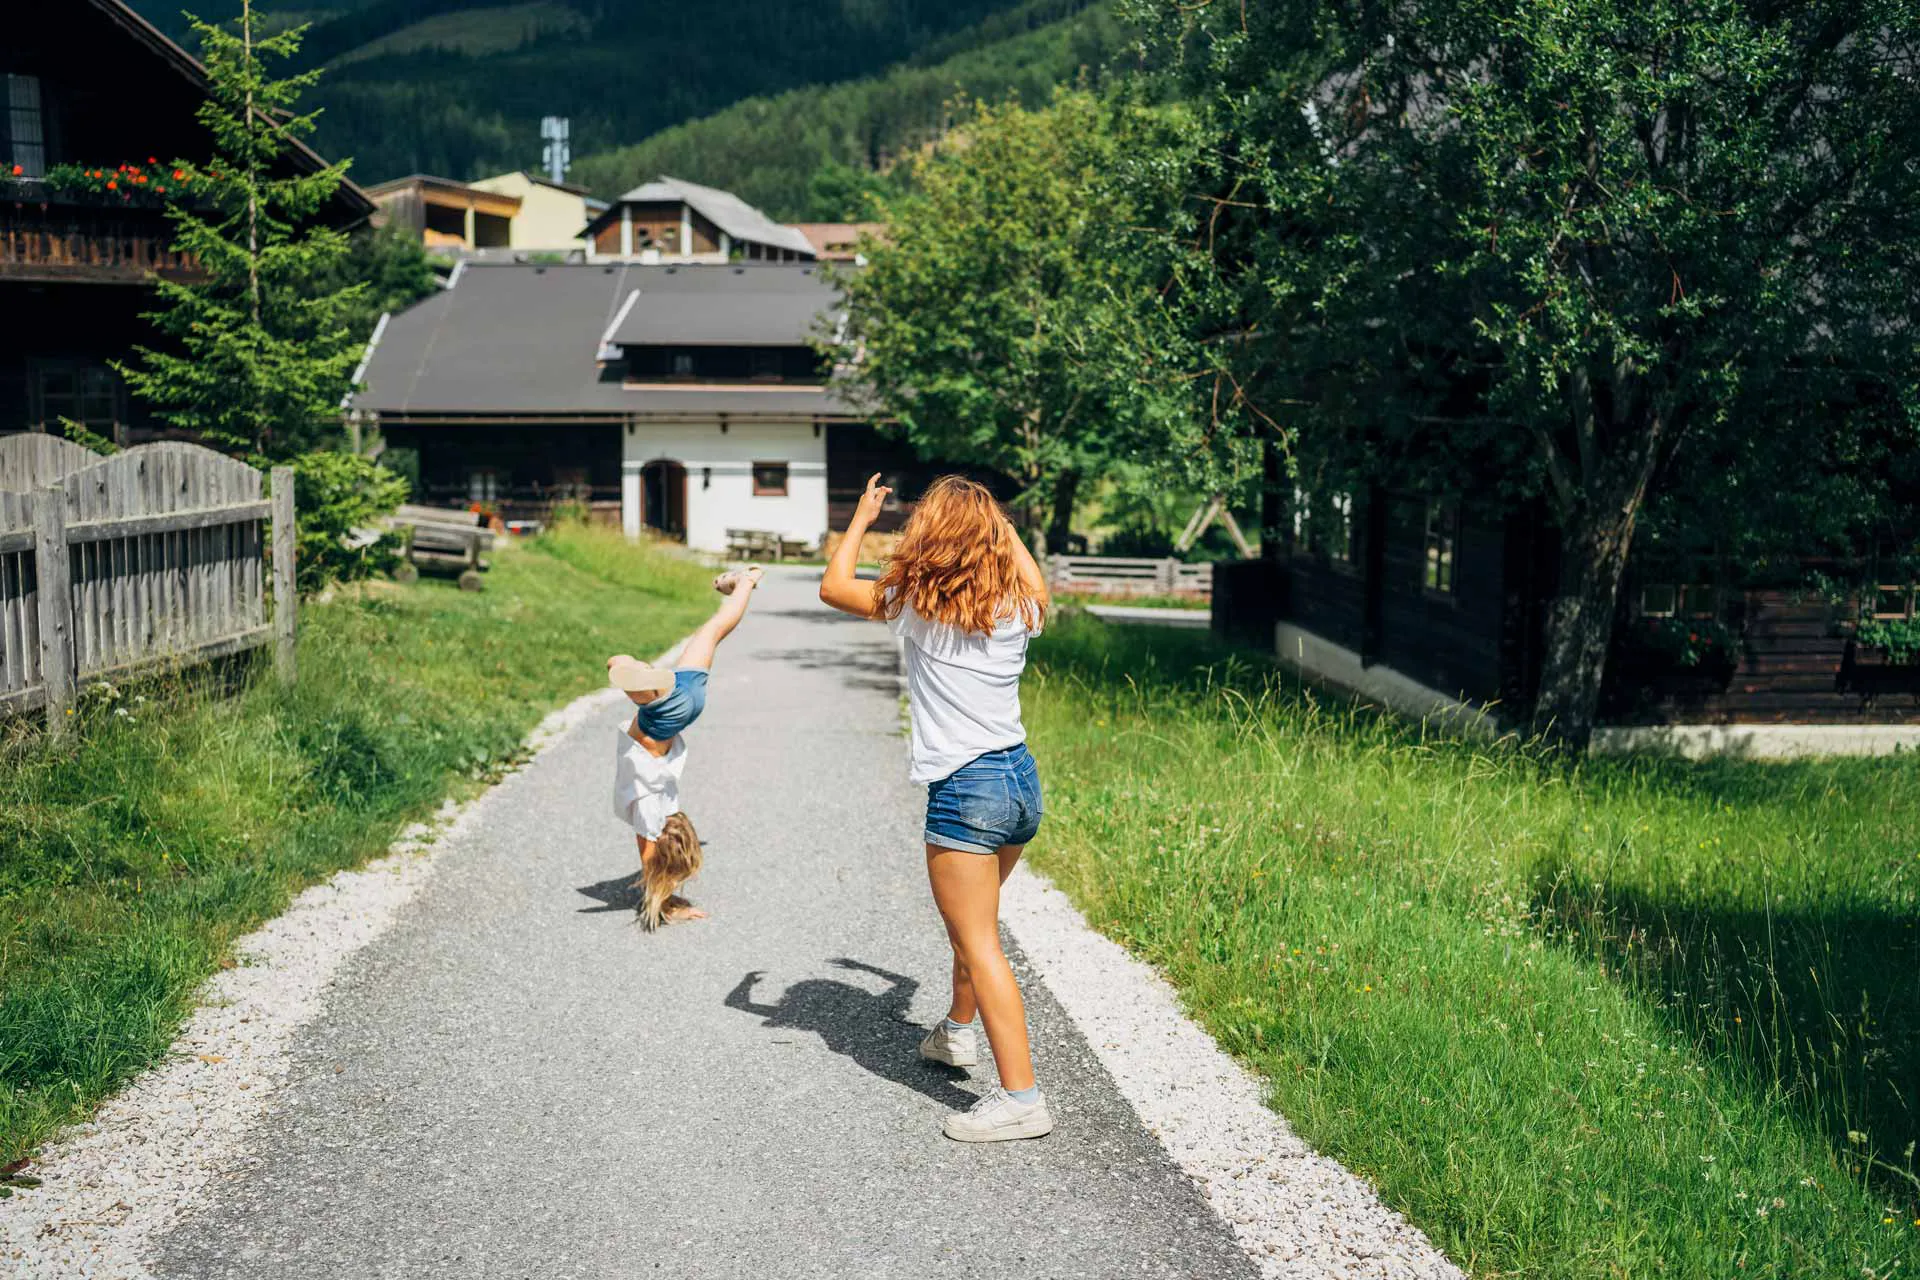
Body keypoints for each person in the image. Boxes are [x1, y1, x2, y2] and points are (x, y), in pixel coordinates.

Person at [819, 474, 1054, 1142]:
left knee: (980, 941)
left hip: (967, 790)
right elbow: (1035, 580)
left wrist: (862, 519)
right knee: (975, 924)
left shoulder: (919, 606)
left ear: (932, 535)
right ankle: (955, 1033)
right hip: (1018, 782)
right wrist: (991, 518)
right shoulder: (1019, 604)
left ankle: (1021, 1100)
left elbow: (834, 586)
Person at [608, 566, 761, 927]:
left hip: (689, 702)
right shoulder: (649, 814)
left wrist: (667, 893)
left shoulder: (670, 809)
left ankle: (745, 582)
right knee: (617, 662)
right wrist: (665, 901)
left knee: (715, 628)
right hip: (659, 717)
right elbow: (651, 861)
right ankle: (640, 672)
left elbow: (657, 862)